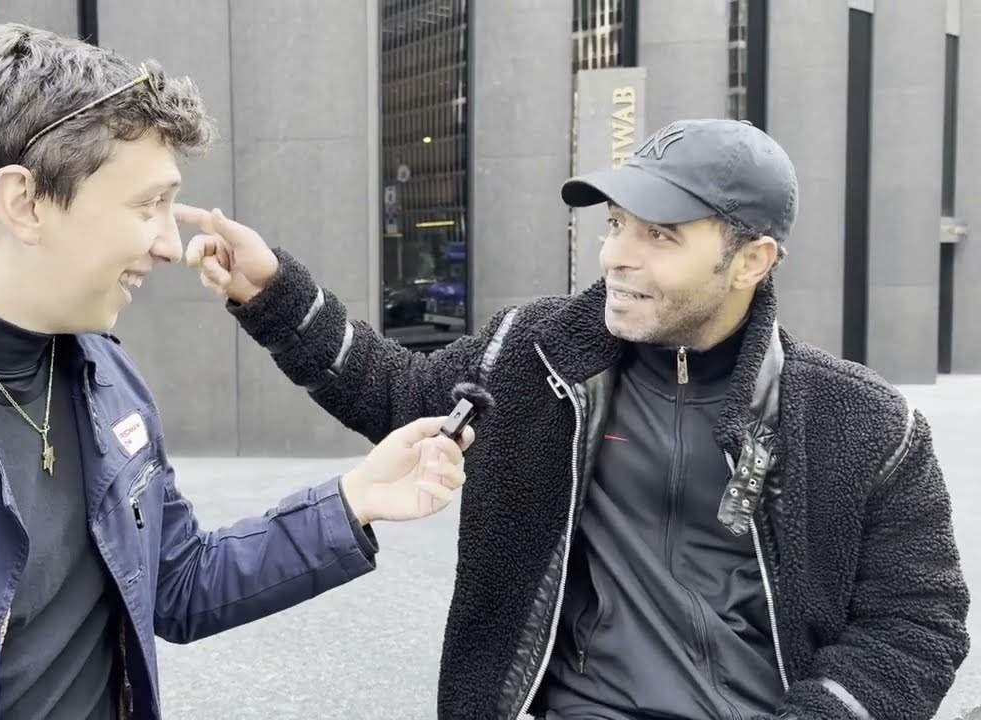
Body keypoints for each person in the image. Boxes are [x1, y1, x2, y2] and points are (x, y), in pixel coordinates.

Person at [0, 24, 474, 720]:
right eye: (149, 206)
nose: (171, 246)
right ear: (25, 202)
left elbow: (176, 581)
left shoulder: (100, 369)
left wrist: (353, 500)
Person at [179, 118, 970, 720]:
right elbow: (399, 393)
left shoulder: (865, 425)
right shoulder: (537, 353)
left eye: (659, 236)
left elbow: (919, 626)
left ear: (752, 260)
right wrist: (273, 292)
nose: (617, 256)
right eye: (615, 225)